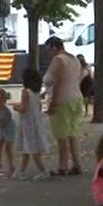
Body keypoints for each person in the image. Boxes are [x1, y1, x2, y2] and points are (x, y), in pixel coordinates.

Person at [43, 36, 83, 176]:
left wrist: (53, 103)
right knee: (72, 133)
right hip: (76, 98)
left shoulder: (59, 60)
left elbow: (58, 82)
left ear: (54, 47)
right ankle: (77, 164)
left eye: (48, 49)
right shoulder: (74, 59)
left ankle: (63, 166)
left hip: (63, 100)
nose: (48, 54)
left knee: (61, 135)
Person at [12, 68, 51, 181]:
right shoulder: (36, 92)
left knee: (32, 149)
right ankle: (21, 171)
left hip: (28, 122)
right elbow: (38, 107)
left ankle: (43, 171)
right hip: (36, 121)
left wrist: (16, 107)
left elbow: (24, 109)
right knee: (27, 148)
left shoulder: (25, 92)